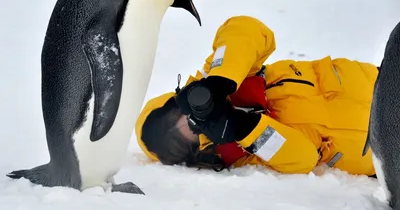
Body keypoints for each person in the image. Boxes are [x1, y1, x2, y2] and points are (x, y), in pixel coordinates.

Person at [135, 15, 378, 177]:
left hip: (378, 83)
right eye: (181, 142)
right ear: (188, 155)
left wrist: (221, 79)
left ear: (177, 103)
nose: (188, 126)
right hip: (384, 143)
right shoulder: (236, 153)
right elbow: (302, 159)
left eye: (178, 118)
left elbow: (248, 28)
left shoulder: (220, 76)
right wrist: (245, 129)